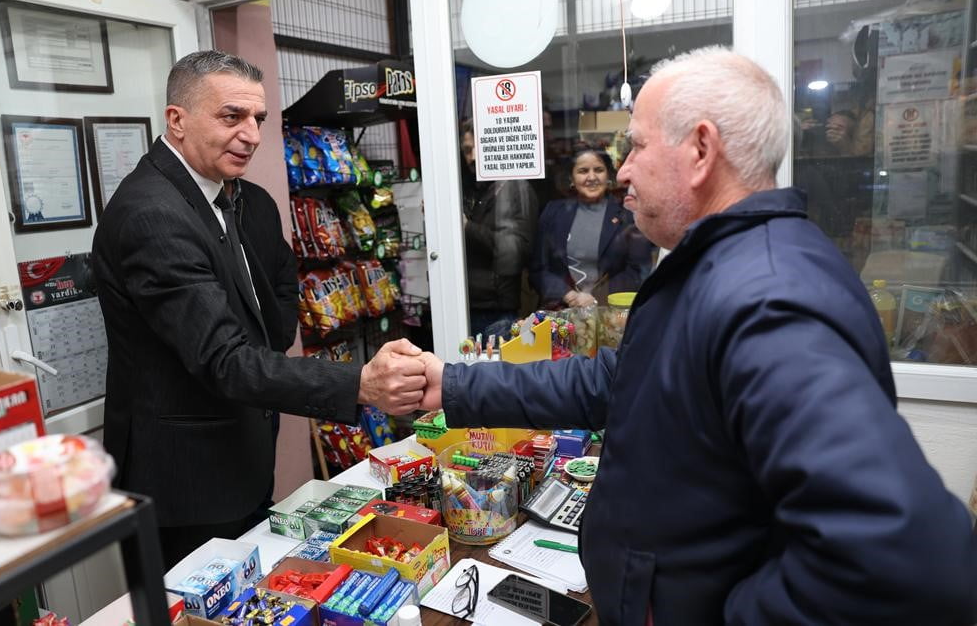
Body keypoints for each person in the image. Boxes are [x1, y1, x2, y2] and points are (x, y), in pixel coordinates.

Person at [418, 47, 977, 624]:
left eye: (635, 144)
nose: (624, 168)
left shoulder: (768, 295)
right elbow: (616, 381)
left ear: (701, 149)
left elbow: (906, 559)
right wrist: (455, 385)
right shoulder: (715, 265)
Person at [92, 50, 425, 568]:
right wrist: (357, 383)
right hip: (186, 483)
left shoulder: (241, 197)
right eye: (232, 116)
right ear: (176, 121)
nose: (251, 134)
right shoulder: (151, 215)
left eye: (259, 119)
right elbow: (225, 358)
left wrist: (270, 347)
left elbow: (276, 287)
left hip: (239, 453)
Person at [528, 148, 652, 309]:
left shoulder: (626, 216)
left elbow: (637, 270)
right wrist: (568, 295)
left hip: (609, 313)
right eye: (583, 171)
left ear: (608, 176)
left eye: (599, 170)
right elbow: (538, 268)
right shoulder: (553, 212)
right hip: (560, 312)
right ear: (572, 178)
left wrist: (596, 297)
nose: (592, 177)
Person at [459, 121, 538, 337]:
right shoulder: (477, 188)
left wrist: (466, 227)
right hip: (469, 305)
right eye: (467, 150)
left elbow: (514, 251)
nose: (473, 157)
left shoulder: (514, 187)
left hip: (494, 311)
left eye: (480, 148)